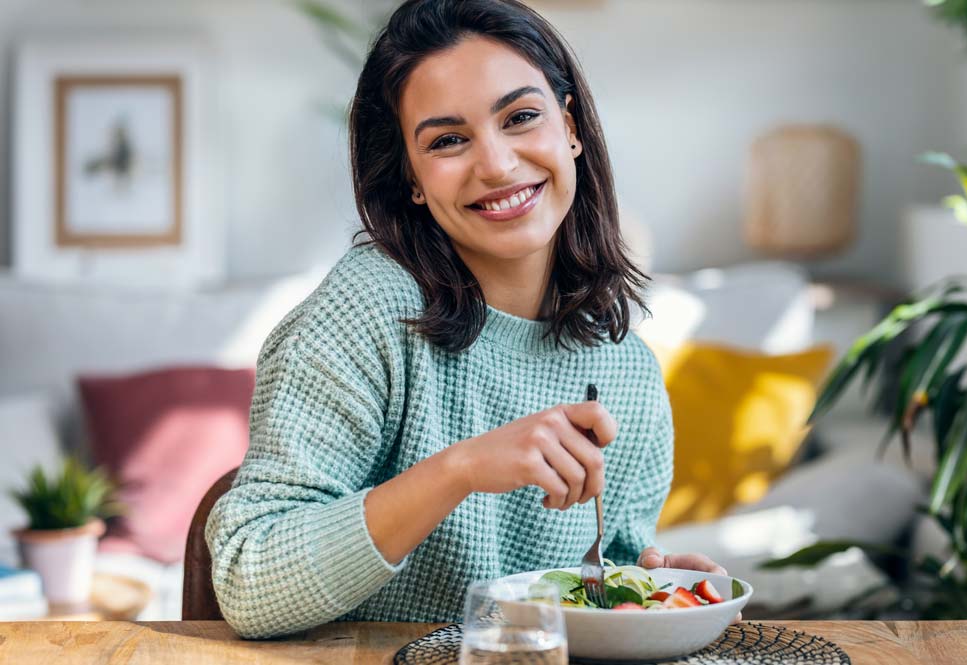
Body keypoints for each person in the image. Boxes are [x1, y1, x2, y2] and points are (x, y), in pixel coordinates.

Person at [207, 0, 729, 639]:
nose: (497, 164)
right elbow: (247, 582)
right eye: (448, 140)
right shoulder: (365, 314)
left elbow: (599, 574)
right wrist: (459, 470)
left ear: (570, 129)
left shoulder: (628, 370)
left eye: (521, 118)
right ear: (413, 178)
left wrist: (645, 587)